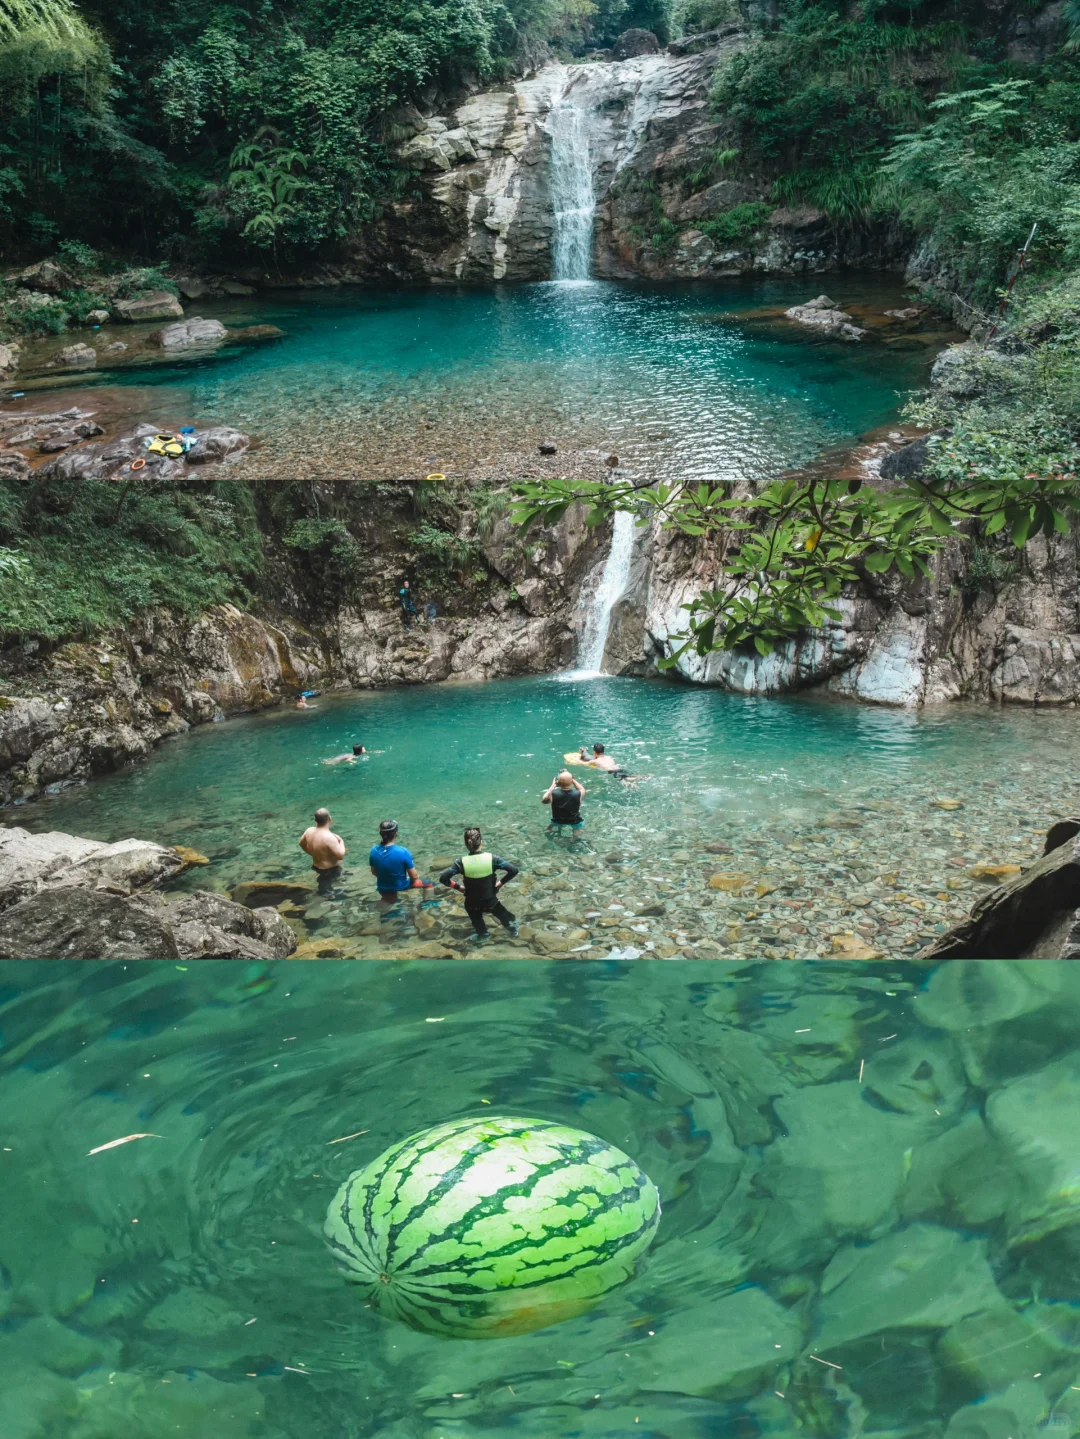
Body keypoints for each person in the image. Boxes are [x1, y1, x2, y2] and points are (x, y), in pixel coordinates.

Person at [439, 828, 519, 944]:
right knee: (504, 916)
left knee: (476, 918)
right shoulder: (493, 859)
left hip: (472, 902)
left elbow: (443, 879)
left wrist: (459, 888)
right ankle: (513, 930)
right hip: (490, 900)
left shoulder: (461, 862)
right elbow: (514, 870)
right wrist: (499, 885)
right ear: (481, 842)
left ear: (466, 845)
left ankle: (483, 935)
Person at [369, 819, 433, 907]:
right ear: (396, 834)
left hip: (382, 887)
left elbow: (374, 872)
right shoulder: (403, 852)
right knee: (428, 883)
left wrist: (388, 877)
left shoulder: (373, 850)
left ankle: (385, 914)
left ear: (380, 833)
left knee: (389, 900)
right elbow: (414, 877)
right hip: (400, 886)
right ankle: (426, 906)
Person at [299, 808, 346, 884]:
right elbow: (340, 855)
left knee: (322, 887)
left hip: (316, 866)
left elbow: (301, 844)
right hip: (331, 870)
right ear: (330, 819)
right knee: (336, 892)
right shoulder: (329, 837)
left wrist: (312, 853)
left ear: (315, 820)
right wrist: (341, 841)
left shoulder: (309, 831)